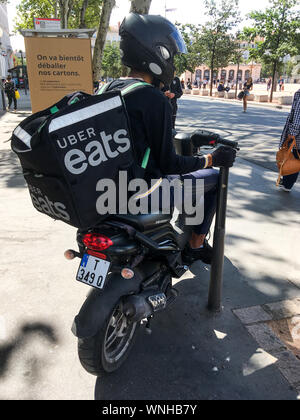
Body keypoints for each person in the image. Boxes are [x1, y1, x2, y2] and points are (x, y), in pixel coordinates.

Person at [103, 13, 236, 264]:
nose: (173, 62)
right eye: (171, 55)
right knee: (214, 177)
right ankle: (195, 244)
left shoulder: (107, 89)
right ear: (157, 53)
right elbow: (169, 164)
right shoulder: (152, 99)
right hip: (139, 192)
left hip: (104, 191)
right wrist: (210, 158)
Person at [277, 88, 300, 192]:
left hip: (298, 138)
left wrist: (291, 133)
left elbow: (297, 116)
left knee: (294, 159)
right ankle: (287, 183)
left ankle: (287, 184)